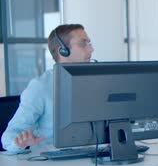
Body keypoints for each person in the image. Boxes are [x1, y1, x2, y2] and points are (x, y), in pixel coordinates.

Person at [1, 24, 95, 153]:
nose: (91, 49)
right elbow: (8, 136)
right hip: (52, 163)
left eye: (89, 43)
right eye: (83, 44)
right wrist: (19, 142)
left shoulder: (95, 82)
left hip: (92, 157)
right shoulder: (40, 87)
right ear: (63, 50)